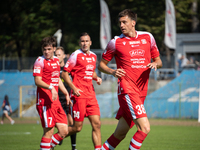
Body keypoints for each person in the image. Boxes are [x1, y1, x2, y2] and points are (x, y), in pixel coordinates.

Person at [98, 9, 162, 150]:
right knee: (144, 128)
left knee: (119, 134)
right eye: (120, 22)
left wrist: (155, 64)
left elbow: (159, 61)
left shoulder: (148, 37)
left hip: (141, 92)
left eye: (124, 22)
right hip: (127, 90)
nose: (121, 25)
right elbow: (101, 65)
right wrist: (112, 71)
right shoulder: (115, 42)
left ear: (133, 23)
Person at [61, 32, 102, 150]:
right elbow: (64, 74)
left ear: (90, 42)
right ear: (79, 43)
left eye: (86, 41)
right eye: (82, 41)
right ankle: (54, 139)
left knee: (97, 124)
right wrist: (74, 88)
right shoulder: (75, 55)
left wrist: (96, 77)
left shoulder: (94, 56)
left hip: (91, 95)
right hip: (79, 95)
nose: (85, 43)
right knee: (77, 128)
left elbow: (90, 71)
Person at [33, 36, 72, 150]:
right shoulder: (40, 61)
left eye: (49, 49)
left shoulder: (56, 61)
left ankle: (47, 147)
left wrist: (65, 93)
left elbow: (57, 78)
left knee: (64, 131)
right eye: (44, 49)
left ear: (54, 49)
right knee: (48, 132)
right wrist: (51, 88)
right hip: (45, 102)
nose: (46, 51)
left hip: (55, 102)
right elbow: (37, 81)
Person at [55, 47, 77, 150]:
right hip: (56, 99)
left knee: (72, 124)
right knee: (53, 126)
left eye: (59, 55)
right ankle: (54, 142)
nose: (57, 57)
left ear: (64, 56)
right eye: (56, 55)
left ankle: (73, 147)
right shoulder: (53, 68)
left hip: (68, 99)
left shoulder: (68, 68)